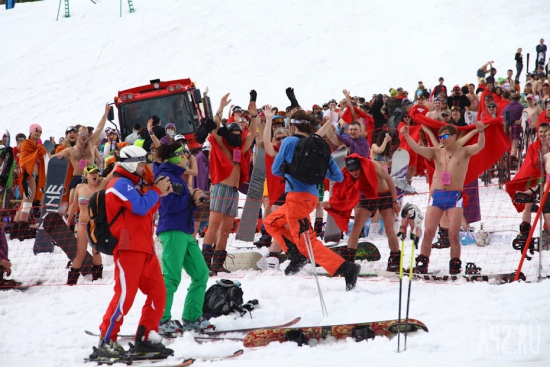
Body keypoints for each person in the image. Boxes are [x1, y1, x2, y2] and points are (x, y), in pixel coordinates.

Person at [264, 110, 360, 291]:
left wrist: (292, 169)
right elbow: (338, 177)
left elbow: (276, 170)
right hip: (311, 198)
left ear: (292, 127)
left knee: (309, 243)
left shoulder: (288, 141)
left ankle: (346, 269)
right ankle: (296, 254)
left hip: (296, 198)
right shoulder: (320, 146)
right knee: (271, 222)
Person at [96, 145, 173, 360]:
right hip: (128, 249)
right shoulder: (118, 184)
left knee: (159, 292)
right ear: (130, 163)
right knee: (125, 297)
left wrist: (158, 193)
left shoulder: (134, 185)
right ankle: (106, 339)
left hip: (145, 248)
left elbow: (146, 211)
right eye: (141, 164)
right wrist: (156, 190)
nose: (144, 167)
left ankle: (146, 337)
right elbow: (139, 207)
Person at [400, 122, 486, 274]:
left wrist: (480, 132)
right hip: (437, 196)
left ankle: (454, 265)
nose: (442, 139)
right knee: (428, 233)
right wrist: (406, 136)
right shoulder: (436, 152)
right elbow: (418, 149)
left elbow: (480, 147)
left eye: (445, 136)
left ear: (454, 136)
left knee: (453, 234)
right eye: (440, 137)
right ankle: (422, 263)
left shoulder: (464, 151)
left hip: (454, 197)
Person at [153, 143, 210, 334]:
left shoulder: (177, 177)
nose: (186, 157)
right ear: (174, 157)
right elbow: (167, 207)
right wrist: (190, 198)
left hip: (184, 231)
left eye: (186, 153)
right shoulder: (165, 176)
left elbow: (181, 206)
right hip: (172, 231)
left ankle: (192, 317)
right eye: (183, 154)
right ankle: (161, 320)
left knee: (201, 273)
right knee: (171, 277)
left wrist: (194, 200)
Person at [202, 93, 258, 274]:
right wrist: (220, 107)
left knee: (226, 229)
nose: (237, 136)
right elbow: (216, 128)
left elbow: (253, 134)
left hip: (233, 191)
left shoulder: (240, 150)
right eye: (233, 134)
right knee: (214, 226)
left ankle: (218, 263)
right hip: (220, 187)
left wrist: (254, 116)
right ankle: (205, 264)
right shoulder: (221, 145)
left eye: (238, 134)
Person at [322, 154, 401, 268]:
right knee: (356, 228)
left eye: (356, 169)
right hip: (368, 197)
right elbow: (342, 192)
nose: (354, 173)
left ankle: (395, 260)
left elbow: (388, 179)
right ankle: (349, 260)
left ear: (360, 166)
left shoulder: (372, 165)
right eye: (352, 170)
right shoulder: (347, 174)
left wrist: (394, 200)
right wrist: (332, 205)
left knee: (389, 230)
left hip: (385, 195)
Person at [54, 104, 110, 212]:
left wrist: (106, 113)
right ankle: (70, 223)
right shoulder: (70, 150)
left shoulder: (90, 145)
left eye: (86, 134)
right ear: (77, 135)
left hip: (91, 178)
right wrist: (57, 158)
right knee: (73, 207)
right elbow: (54, 157)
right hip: (77, 179)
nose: (84, 136)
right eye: (81, 133)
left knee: (94, 206)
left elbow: (99, 128)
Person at [66, 164, 112, 285]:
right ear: (86, 176)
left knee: (96, 251)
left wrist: (120, 161)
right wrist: (68, 219)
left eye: (96, 172)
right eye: (91, 173)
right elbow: (74, 205)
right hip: (82, 223)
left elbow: (114, 172)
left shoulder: (102, 185)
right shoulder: (80, 187)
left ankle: (97, 279)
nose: (94, 175)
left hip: (97, 225)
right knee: (80, 253)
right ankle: (71, 281)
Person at [10, 124, 47, 241]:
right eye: (36, 131)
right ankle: (22, 233)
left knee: (23, 204)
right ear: (30, 132)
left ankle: (15, 232)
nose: (38, 133)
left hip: (32, 174)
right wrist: (26, 175)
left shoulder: (36, 145)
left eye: (40, 132)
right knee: (27, 203)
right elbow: (23, 161)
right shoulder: (27, 144)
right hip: (28, 175)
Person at [502, 92, 525, 169]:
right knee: (515, 144)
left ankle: (507, 160)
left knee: (507, 144)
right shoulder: (522, 107)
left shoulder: (506, 107)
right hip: (517, 128)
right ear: (519, 99)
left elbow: (503, 118)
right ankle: (513, 159)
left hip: (506, 128)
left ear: (511, 99)